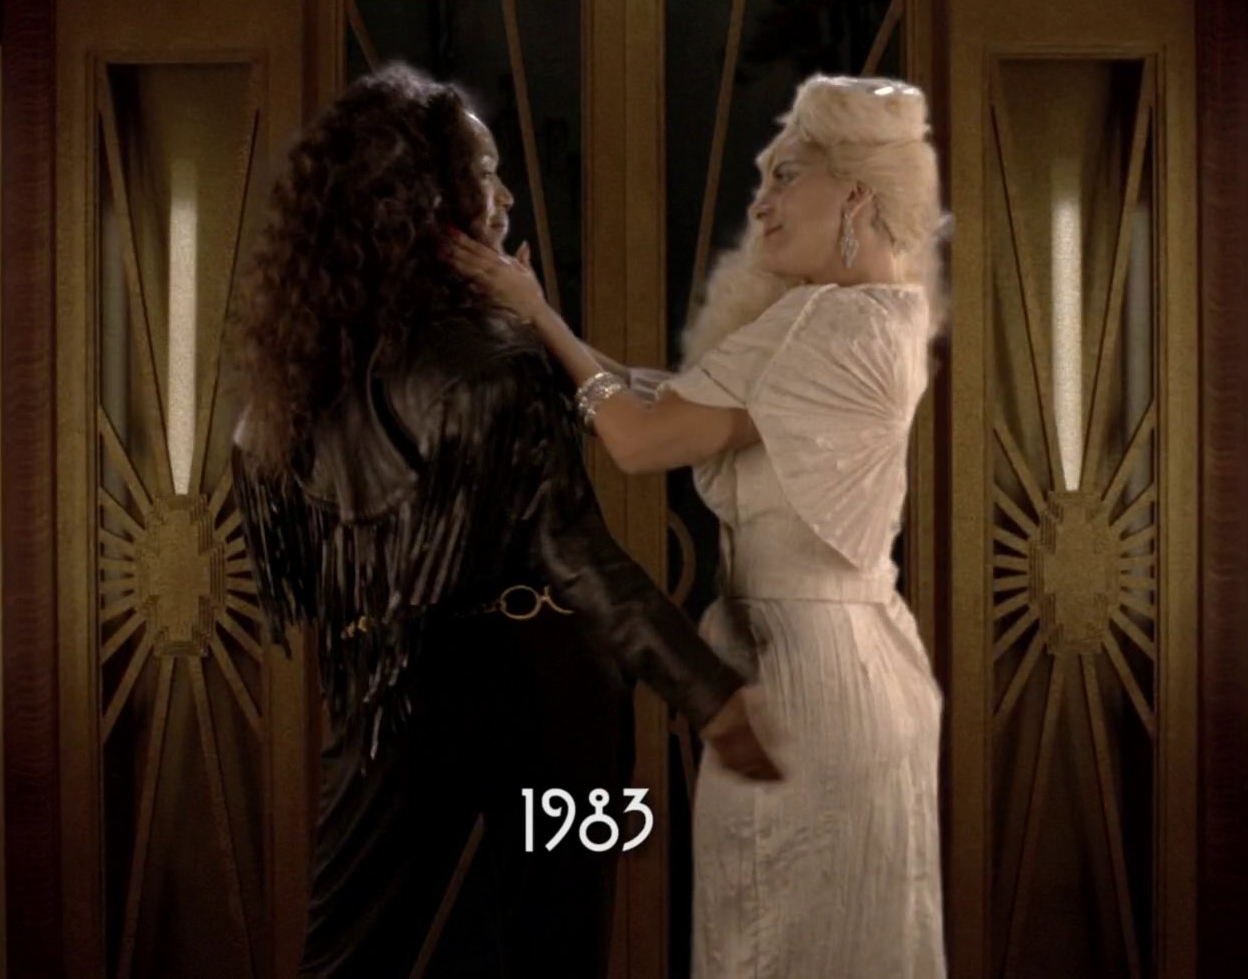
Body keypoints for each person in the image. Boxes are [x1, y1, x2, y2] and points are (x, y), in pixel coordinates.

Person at [228, 64, 781, 979]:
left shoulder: (290, 382)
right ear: (431, 201)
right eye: (486, 174)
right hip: (555, 686)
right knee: (558, 944)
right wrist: (711, 695)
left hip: (393, 688)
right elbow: (576, 548)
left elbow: (296, 564)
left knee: (353, 951)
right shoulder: (494, 361)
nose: (508, 196)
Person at [451, 74, 948, 977]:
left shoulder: (816, 322)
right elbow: (662, 396)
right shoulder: (889, 316)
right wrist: (543, 327)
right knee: (860, 934)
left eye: (785, 176)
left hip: (798, 674)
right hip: (873, 663)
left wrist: (538, 317)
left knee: (775, 941)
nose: (761, 205)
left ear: (854, 192)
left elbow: (640, 439)